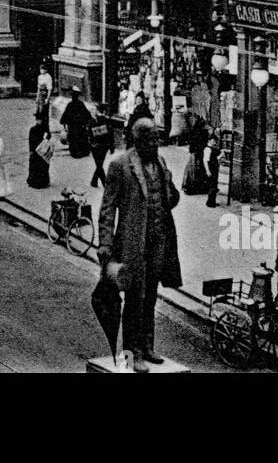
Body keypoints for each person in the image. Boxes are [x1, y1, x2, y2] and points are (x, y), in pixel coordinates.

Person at [97, 118, 182, 370]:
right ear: (137, 140)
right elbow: (108, 208)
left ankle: (146, 346)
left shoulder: (161, 163)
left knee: (151, 297)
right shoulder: (120, 166)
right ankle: (131, 355)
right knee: (135, 298)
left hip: (158, 240)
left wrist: (169, 183)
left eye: (158, 138)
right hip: (133, 243)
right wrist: (105, 243)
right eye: (151, 139)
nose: (156, 144)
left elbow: (169, 199)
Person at [61, 86, 94, 160]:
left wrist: (64, 123)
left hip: (72, 128)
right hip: (81, 128)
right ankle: (83, 151)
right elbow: (88, 115)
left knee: (73, 139)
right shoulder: (81, 104)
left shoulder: (70, 105)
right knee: (82, 138)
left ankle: (75, 152)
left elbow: (64, 117)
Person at [89, 112, 114, 188]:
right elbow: (110, 134)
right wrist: (111, 146)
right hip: (104, 146)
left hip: (95, 146)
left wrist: (92, 143)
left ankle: (95, 181)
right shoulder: (107, 121)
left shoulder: (92, 121)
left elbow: (89, 134)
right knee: (99, 164)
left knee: (99, 165)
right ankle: (105, 183)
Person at [27, 114, 52, 189]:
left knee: (43, 166)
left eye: (40, 120)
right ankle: (35, 182)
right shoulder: (33, 129)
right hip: (35, 150)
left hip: (42, 150)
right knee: (36, 166)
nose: (39, 121)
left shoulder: (44, 129)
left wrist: (46, 138)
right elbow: (30, 141)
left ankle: (43, 182)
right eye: (38, 120)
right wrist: (31, 150)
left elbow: (49, 137)